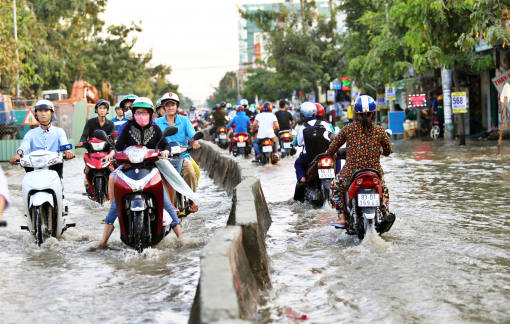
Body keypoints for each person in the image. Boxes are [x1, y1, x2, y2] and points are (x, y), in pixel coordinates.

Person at [94, 97, 183, 248]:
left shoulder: (155, 129)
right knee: (116, 204)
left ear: (150, 114)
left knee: (166, 202)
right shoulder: (127, 128)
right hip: (128, 168)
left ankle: (181, 237)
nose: (141, 115)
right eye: (138, 112)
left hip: (151, 168)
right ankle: (103, 241)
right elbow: (119, 147)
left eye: (145, 112)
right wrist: (112, 154)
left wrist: (166, 152)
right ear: (133, 114)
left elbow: (165, 144)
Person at [326, 95, 392, 227]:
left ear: (357, 113)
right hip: (374, 172)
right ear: (373, 113)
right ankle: (385, 213)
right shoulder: (380, 130)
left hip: (351, 172)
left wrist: (329, 154)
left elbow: (333, 147)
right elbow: (388, 150)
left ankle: (342, 217)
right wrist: (382, 152)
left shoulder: (348, 129)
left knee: (335, 186)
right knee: (383, 189)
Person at [155, 92, 200, 214]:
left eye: (172, 105)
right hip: (163, 158)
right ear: (163, 107)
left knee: (190, 171)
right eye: (167, 105)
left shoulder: (184, 120)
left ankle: (192, 199)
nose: (170, 107)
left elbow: (192, 136)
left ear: (177, 106)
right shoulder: (157, 122)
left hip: (182, 156)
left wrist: (194, 142)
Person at [9, 100, 74, 178]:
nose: (43, 113)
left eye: (46, 110)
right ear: (36, 113)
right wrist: (16, 157)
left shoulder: (59, 132)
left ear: (52, 113)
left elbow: (64, 145)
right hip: (34, 170)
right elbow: (23, 147)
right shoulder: (30, 133)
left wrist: (68, 153)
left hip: (54, 169)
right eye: (40, 110)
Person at [292, 102, 335, 203]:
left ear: (303, 115)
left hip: (309, 158)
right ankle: (338, 176)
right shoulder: (325, 124)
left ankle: (302, 179)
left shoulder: (303, 127)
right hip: (326, 155)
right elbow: (334, 138)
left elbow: (299, 143)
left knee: (298, 163)